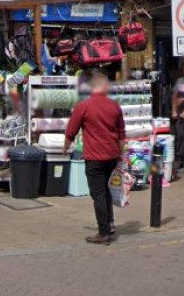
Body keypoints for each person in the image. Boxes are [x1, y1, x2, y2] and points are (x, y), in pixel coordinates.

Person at [63, 72, 125, 246]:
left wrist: (65, 147)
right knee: (105, 190)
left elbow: (71, 130)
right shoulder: (114, 106)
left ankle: (103, 231)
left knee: (98, 193)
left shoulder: (84, 106)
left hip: (94, 156)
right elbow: (121, 133)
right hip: (112, 154)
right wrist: (121, 154)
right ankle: (110, 223)